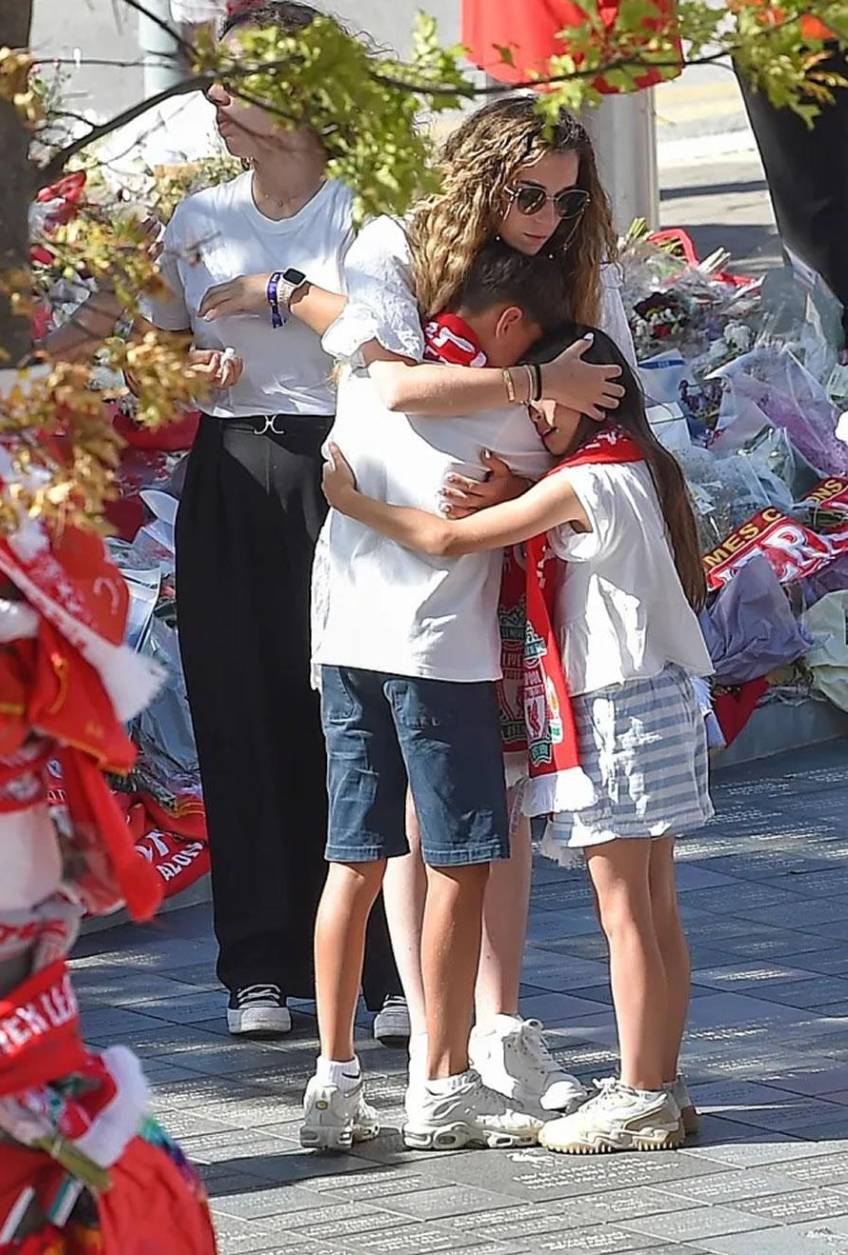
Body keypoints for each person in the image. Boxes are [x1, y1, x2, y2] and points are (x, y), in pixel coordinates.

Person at [318, 94, 636, 1115]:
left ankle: (496, 1029)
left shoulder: (576, 266)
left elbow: (611, 409)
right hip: (389, 579)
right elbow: (398, 387)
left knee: (500, 800)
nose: (548, 217)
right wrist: (533, 384)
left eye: (567, 198)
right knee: (426, 818)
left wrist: (522, 480)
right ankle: (434, 1050)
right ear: (476, 178)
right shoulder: (394, 244)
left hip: (514, 566)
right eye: (528, 194)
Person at [322, 326, 712, 1153]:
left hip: (617, 706)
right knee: (657, 905)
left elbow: (449, 539)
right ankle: (664, 1082)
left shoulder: (584, 481)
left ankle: (639, 1094)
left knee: (623, 912)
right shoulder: (632, 465)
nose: (537, 417)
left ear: (596, 395)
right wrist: (519, 485)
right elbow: (550, 506)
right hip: (665, 697)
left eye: (551, 397)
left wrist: (353, 505)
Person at [140, 1, 401, 1038]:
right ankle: (257, 963)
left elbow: (392, 340)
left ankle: (386, 968)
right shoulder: (197, 216)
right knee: (239, 709)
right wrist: (184, 368)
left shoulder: (365, 209)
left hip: (348, 462)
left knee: (356, 708)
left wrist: (279, 293)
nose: (217, 99)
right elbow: (152, 346)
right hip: (230, 465)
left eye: (240, 81)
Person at [736, 15, 848, 350]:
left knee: (819, 223)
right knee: (820, 230)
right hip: (786, 35)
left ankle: (831, 352)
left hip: (784, 33)